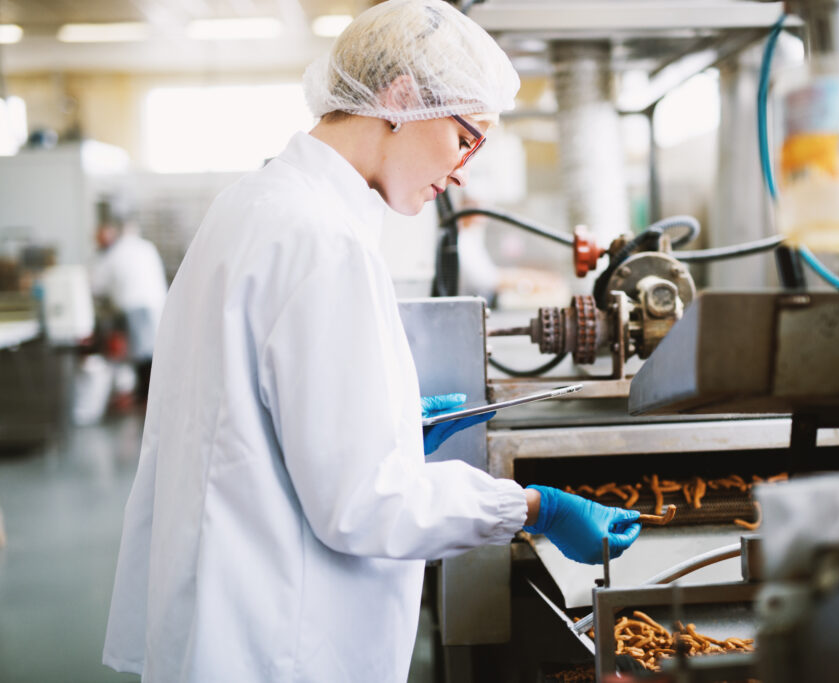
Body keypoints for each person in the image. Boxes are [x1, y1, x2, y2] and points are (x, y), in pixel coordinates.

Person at [102, 2, 640, 682]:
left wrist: (386, 427)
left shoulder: (254, 206)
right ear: (402, 98)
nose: (465, 172)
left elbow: (240, 421)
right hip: (283, 646)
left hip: (228, 622)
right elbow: (364, 503)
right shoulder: (323, 242)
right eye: (466, 136)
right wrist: (534, 506)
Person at [91, 198, 168, 403]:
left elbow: (98, 285)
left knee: (139, 355)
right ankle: (145, 395)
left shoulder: (115, 253)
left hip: (134, 306)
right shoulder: (145, 247)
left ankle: (142, 396)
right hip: (156, 304)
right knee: (150, 352)